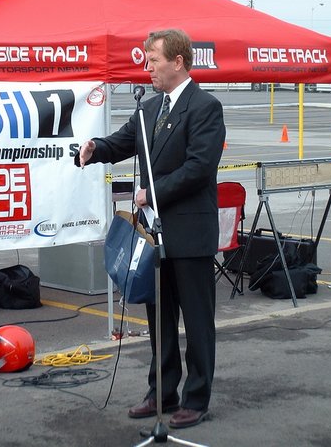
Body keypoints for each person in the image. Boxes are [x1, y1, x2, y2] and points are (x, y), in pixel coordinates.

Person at [75, 28, 225, 429]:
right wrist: (95, 148)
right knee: (160, 321)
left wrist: (150, 193)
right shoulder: (149, 109)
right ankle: (161, 391)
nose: (148, 67)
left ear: (178, 62)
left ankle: (196, 398)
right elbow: (123, 142)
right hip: (155, 236)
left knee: (196, 321)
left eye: (154, 59)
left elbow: (198, 168)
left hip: (190, 236)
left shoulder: (205, 107)